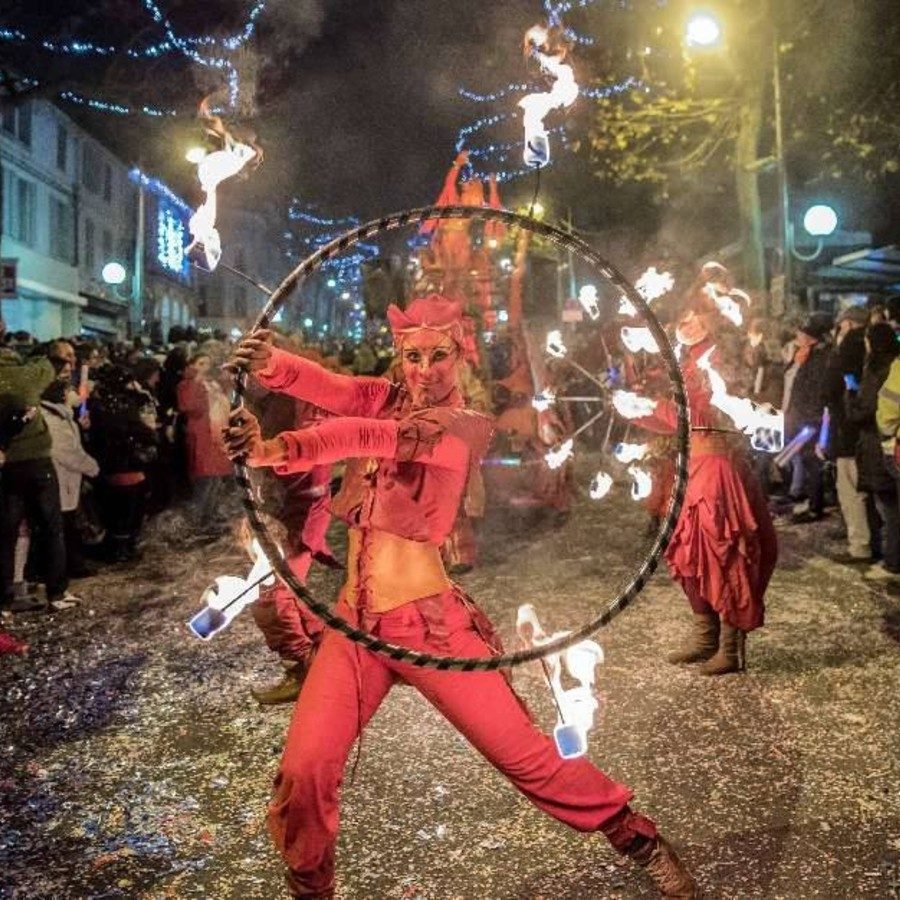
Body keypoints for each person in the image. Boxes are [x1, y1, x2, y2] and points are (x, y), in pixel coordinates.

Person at [225, 295, 698, 899]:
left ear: (460, 354)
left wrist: (274, 450)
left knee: (528, 760)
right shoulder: (384, 396)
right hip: (353, 628)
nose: (425, 368)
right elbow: (334, 389)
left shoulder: (463, 426)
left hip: (431, 629)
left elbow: (362, 434)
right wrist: (273, 365)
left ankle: (637, 836)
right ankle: (311, 891)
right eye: (413, 355)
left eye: (438, 355)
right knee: (303, 770)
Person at [613, 272, 777, 674]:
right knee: (688, 551)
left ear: (714, 319)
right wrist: (638, 408)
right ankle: (706, 637)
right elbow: (678, 422)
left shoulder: (717, 359)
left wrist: (650, 407)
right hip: (693, 466)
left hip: (717, 468)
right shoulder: (687, 360)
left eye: (695, 317)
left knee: (724, 552)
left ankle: (732, 648)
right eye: (682, 317)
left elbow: (701, 414)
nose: (685, 323)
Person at [0, 346, 82, 613]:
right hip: (36, 460)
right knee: (51, 527)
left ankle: (5, 597)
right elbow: (51, 364)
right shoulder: (28, 373)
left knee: (7, 532)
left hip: (6, 463)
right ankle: (56, 592)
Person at [847, 323, 899, 579]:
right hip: (886, 445)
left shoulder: (881, 368)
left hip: (884, 445)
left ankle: (893, 561)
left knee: (888, 507)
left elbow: (877, 412)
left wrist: (850, 395)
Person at [824, 307, 872, 562]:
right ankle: (868, 541)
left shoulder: (849, 349)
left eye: (841, 324)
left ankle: (860, 545)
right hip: (862, 431)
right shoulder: (869, 350)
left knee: (850, 488)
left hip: (847, 430)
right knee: (863, 489)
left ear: (850, 324)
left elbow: (833, 389)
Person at [782, 314, 832, 523]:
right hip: (799, 416)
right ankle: (812, 501)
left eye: (802, 333)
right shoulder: (805, 354)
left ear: (811, 337)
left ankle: (815, 506)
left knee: (812, 462)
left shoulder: (820, 358)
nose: (797, 336)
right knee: (802, 459)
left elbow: (816, 390)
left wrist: (812, 418)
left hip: (810, 418)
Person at [177, 352, 233, 533]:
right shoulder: (187, 385)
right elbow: (190, 407)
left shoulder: (212, 384)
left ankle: (210, 517)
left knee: (215, 481)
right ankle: (198, 522)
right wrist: (197, 381)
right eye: (200, 363)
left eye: (207, 364)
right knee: (205, 482)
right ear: (191, 365)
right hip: (203, 439)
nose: (205, 367)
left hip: (216, 440)